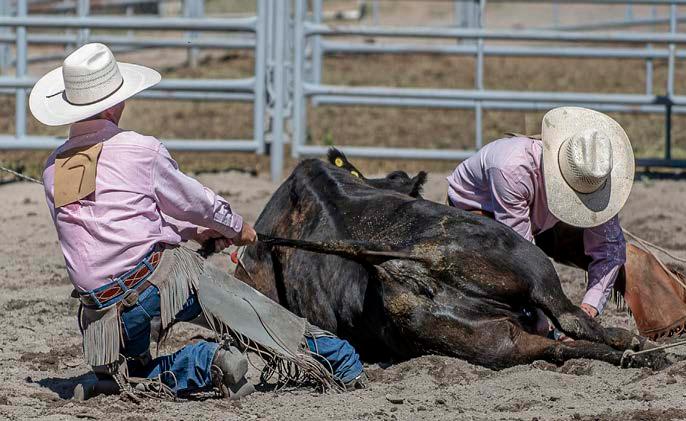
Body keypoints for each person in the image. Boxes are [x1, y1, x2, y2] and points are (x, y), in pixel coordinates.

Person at [30, 43, 365, 400]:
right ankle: (339, 360)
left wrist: (193, 232)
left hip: (102, 313)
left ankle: (205, 364)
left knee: (131, 376)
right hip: (152, 282)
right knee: (250, 311)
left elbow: (114, 223)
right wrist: (235, 227)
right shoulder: (140, 150)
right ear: (115, 103)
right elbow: (196, 202)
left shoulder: (53, 169)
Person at [446, 107, 634, 322]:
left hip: (536, 217)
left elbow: (610, 249)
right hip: (478, 211)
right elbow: (520, 250)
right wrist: (550, 316)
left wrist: (589, 308)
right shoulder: (512, 168)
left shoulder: (594, 174)